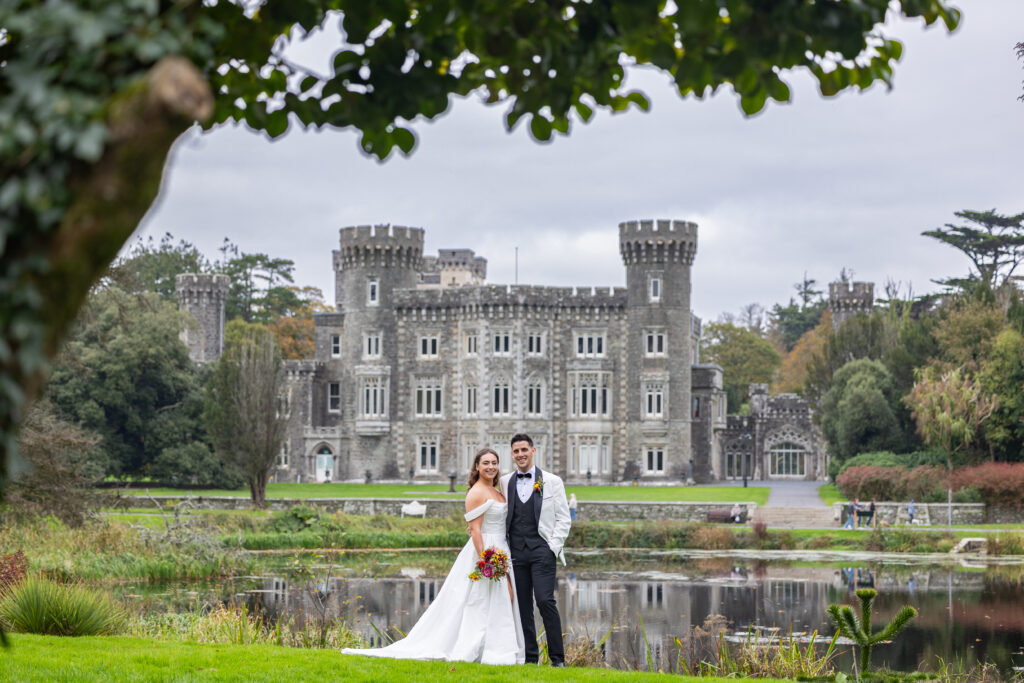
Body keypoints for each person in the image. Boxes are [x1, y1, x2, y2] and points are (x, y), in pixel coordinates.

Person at [341, 448, 525, 665]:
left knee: (500, 598)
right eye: (486, 463)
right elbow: (475, 530)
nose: (491, 467)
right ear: (477, 466)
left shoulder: (497, 489)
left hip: (502, 548)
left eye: (494, 462)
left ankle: (495, 648)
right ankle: (486, 649)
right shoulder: (476, 492)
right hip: (486, 551)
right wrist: (486, 561)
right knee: (484, 600)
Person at [500, 433, 572, 667]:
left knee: (545, 601)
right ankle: (531, 658)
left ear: (533, 451)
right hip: (516, 553)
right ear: (512, 454)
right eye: (516, 451)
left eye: (524, 450)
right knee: (523, 607)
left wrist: (552, 547)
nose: (520, 454)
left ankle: (557, 659)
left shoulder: (552, 481)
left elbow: (564, 518)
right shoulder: (505, 481)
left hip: (542, 550)